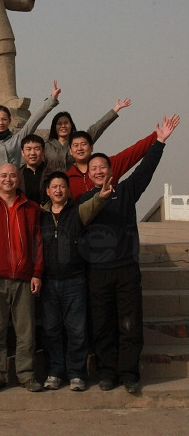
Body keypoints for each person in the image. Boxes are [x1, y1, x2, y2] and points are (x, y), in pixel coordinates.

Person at [79, 115, 179, 394]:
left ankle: (129, 373)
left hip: (126, 269)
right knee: (102, 324)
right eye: (94, 168)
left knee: (130, 323)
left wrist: (159, 142)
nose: (99, 171)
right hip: (97, 272)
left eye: (103, 167)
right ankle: (107, 372)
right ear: (89, 175)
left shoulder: (125, 191)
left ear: (111, 171)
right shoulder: (84, 201)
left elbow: (145, 171)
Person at [40, 171, 113, 392]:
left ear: (68, 190)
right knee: (51, 330)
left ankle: (76, 374)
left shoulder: (77, 211)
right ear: (47, 191)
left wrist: (101, 196)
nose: (58, 190)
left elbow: (94, 204)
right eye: (54, 187)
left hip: (74, 280)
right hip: (48, 282)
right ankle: (54, 372)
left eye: (62, 186)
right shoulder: (39, 215)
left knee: (77, 330)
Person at [0, 163, 43, 393]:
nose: (8, 179)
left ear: (18, 179)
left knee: (26, 332)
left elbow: (37, 243)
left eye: (12, 175)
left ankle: (26, 374)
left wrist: (37, 273)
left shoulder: (31, 207)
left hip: (24, 278)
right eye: (3, 175)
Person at [67, 126, 158, 202]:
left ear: (91, 147)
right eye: (75, 145)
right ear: (70, 151)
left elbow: (134, 152)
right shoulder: (66, 178)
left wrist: (158, 136)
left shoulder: (109, 165)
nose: (80, 148)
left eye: (83, 144)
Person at [44, 98, 131, 173]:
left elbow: (97, 128)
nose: (63, 126)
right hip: (52, 185)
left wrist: (115, 110)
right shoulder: (46, 146)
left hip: (75, 182)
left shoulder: (80, 142)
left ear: (71, 125)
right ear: (54, 127)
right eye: (59, 124)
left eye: (66, 123)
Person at [18, 134, 49, 205]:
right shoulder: (17, 176)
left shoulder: (51, 174)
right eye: (28, 149)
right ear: (22, 152)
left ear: (43, 151)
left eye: (37, 149)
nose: (32, 153)